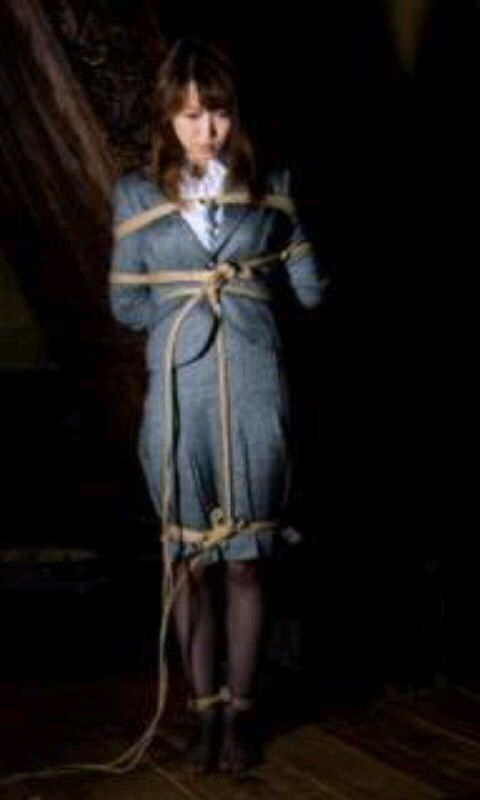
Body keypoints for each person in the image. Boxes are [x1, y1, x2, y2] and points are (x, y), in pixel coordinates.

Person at [108, 35, 328, 775]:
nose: (206, 129)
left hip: (257, 391)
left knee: (247, 563)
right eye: (190, 114)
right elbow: (125, 306)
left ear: (238, 113)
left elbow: (310, 292)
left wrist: (255, 284)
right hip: (179, 397)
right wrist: (192, 299)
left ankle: (241, 714)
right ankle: (200, 712)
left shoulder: (274, 185)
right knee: (188, 564)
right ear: (167, 118)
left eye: (220, 112)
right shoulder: (135, 195)